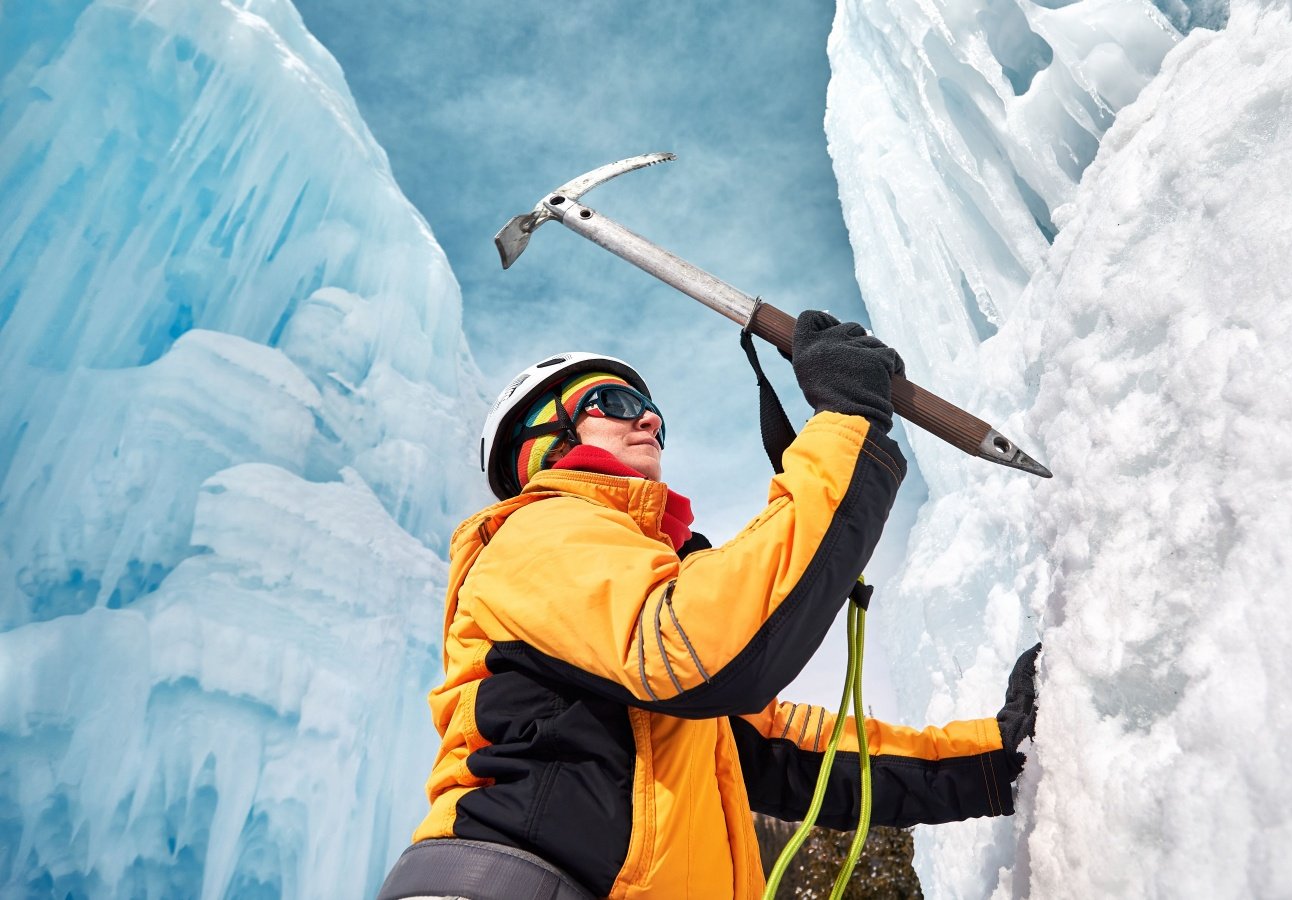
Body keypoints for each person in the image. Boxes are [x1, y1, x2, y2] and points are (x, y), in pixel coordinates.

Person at [377, 312, 1041, 900]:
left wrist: (991, 760)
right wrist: (845, 425)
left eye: (654, 410)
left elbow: (786, 749)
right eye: (613, 400)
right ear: (538, 442)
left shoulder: (627, 601)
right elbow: (696, 647)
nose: (649, 419)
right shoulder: (535, 532)